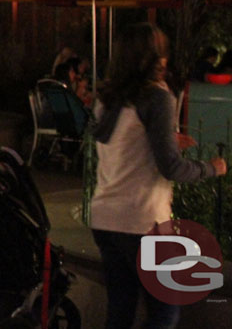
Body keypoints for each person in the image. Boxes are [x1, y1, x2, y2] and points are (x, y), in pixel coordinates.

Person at [90, 22, 226, 329]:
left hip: (104, 219)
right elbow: (172, 168)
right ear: (149, 57)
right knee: (165, 313)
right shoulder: (156, 96)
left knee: (120, 310)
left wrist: (163, 137)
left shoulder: (107, 98)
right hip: (142, 221)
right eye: (161, 52)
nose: (165, 59)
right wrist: (212, 168)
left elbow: (123, 143)